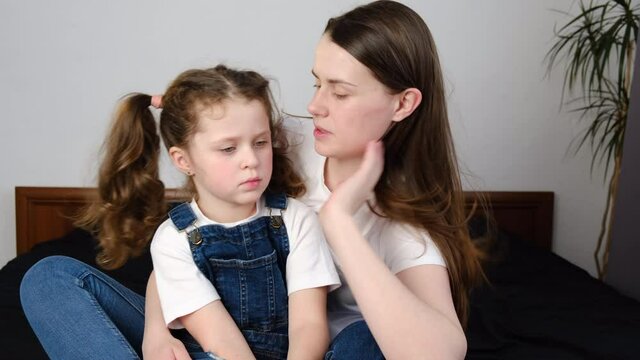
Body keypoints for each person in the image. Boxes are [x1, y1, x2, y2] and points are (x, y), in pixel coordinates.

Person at [22, 1, 484, 359]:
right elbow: (189, 240)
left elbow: (441, 351)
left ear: (402, 105)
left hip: (314, 349)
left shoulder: (404, 222)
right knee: (49, 278)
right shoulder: (275, 145)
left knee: (367, 340)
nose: (317, 105)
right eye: (316, 82)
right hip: (211, 330)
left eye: (340, 92)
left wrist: (340, 222)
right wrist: (157, 331)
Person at [20, 65, 340, 360]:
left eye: (260, 142)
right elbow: (219, 339)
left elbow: (308, 325)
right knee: (47, 276)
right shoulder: (174, 239)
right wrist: (155, 331)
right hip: (216, 352)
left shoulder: (296, 219)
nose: (250, 160)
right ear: (183, 160)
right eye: (228, 148)